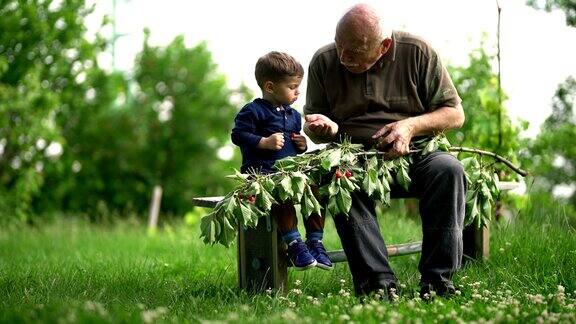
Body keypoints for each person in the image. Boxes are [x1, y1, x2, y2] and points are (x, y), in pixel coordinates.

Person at [303, 4, 466, 298]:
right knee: (338, 179)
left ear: (385, 46)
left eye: (354, 50)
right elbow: (312, 122)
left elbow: (454, 114)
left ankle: (437, 282)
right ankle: (377, 284)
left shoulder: (418, 52)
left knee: (449, 169)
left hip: (416, 154)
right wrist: (321, 127)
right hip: (354, 158)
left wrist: (411, 127)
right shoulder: (324, 61)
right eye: (340, 46)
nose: (343, 57)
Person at [231, 51, 332, 271]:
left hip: (291, 173)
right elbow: (237, 135)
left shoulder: (294, 115)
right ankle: (295, 243)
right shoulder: (253, 111)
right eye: (292, 87)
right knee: (280, 195)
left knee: (316, 191)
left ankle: (315, 241)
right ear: (270, 87)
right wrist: (263, 142)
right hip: (262, 174)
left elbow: (293, 145)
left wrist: (302, 145)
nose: (297, 92)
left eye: (298, 87)